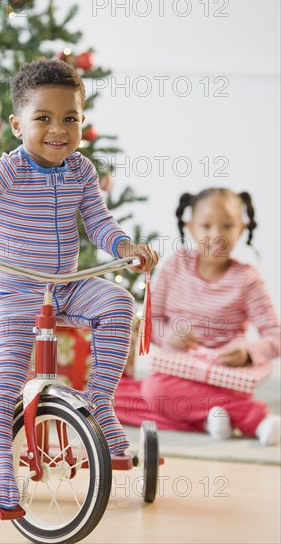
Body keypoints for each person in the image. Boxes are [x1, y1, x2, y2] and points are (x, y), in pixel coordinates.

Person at [0, 58, 159, 510]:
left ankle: (99, 399)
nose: (59, 129)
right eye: (44, 118)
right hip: (15, 291)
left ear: (82, 121)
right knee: (4, 381)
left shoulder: (81, 171)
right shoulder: (8, 170)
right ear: (17, 124)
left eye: (70, 118)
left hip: (65, 285)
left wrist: (125, 247)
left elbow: (98, 222)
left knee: (117, 301)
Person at [116, 188, 280, 446]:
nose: (217, 235)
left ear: (242, 228)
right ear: (190, 227)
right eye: (206, 226)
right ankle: (209, 418)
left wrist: (247, 353)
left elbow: (275, 336)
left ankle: (253, 417)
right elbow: (151, 321)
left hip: (224, 377)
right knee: (117, 395)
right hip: (178, 373)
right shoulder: (175, 266)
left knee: (153, 391)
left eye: (228, 226)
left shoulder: (247, 279)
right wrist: (169, 335)